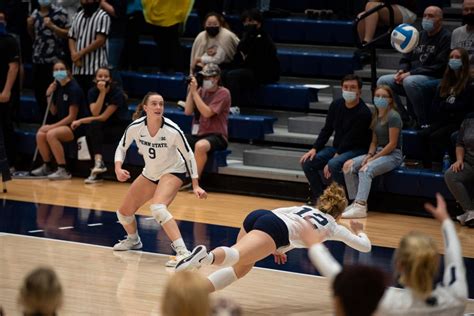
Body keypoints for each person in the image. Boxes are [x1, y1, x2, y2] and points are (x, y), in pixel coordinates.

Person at [175, 183, 372, 293]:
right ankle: (205, 257)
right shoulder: (333, 227)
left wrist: (277, 247)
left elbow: (280, 216)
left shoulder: (305, 209)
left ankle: (197, 292)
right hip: (276, 229)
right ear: (339, 213)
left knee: (241, 267)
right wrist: (359, 230)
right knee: (238, 255)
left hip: (262, 216)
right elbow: (365, 247)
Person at [113, 92, 207, 268]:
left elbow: (189, 156)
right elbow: (121, 147)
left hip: (173, 170)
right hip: (150, 173)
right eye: (154, 104)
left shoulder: (172, 130)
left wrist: (195, 184)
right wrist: (118, 168)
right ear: (145, 107)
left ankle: (183, 253)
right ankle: (133, 240)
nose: (158, 107)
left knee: (158, 208)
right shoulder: (136, 127)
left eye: (161, 104)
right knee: (124, 212)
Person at [377, 193, 468, 315]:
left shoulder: (385, 304)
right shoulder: (456, 300)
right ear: (436, 263)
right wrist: (446, 221)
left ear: (399, 265)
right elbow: (454, 260)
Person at [300, 74, 372, 205]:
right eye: (346, 87)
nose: (349, 90)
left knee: (334, 164)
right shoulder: (336, 105)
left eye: (353, 87)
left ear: (360, 91)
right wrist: (314, 148)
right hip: (338, 148)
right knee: (308, 162)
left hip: (357, 150)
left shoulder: (364, 113)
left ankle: (342, 201)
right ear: (341, 88)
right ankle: (321, 198)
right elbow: (327, 129)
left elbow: (350, 139)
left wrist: (335, 157)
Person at [377, 6, 451, 128]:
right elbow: (405, 58)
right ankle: (404, 119)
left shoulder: (446, 37)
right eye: (425, 15)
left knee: (409, 81)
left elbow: (440, 66)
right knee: (383, 81)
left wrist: (410, 74)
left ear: (440, 20)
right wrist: (402, 70)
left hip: (434, 77)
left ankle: (422, 121)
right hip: (412, 76)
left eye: (431, 16)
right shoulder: (418, 35)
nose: (426, 18)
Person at [342, 85, 403, 219]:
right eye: (377, 96)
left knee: (365, 170)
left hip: (393, 155)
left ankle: (360, 206)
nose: (380, 99)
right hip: (378, 152)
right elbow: (374, 142)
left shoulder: (394, 116)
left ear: (391, 100)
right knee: (348, 165)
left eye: (384, 96)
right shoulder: (376, 115)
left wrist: (373, 159)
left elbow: (392, 144)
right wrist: (369, 155)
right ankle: (355, 202)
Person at [300, 225, 387, 316]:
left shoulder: (335, 227)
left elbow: (333, 272)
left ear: (337, 301)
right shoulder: (397, 304)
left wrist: (314, 244)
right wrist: (360, 231)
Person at [31, 60, 86, 180]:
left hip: (76, 126)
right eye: (56, 70)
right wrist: (48, 95)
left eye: (61, 69)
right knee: (40, 134)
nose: (58, 72)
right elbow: (53, 111)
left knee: (51, 133)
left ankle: (63, 169)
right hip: (63, 125)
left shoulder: (74, 89)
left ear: (68, 71)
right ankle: (47, 166)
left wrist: (51, 126)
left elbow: (72, 117)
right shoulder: (58, 87)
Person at [71, 67, 127, 184]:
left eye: (106, 76)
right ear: (95, 79)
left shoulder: (117, 93)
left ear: (110, 79)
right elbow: (95, 112)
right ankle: (97, 168)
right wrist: (101, 93)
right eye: (100, 76)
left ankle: (97, 167)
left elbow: (103, 117)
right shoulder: (92, 92)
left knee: (94, 126)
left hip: (117, 128)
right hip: (101, 128)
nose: (103, 79)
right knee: (89, 131)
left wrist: (81, 120)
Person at [420, 47, 473, 168]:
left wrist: (447, 105)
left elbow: (464, 107)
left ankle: (445, 164)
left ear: (464, 61)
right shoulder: (445, 81)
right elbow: (435, 106)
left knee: (437, 136)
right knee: (422, 135)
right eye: (452, 57)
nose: (454, 60)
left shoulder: (469, 83)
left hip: (459, 122)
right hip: (444, 119)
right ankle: (427, 168)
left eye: (457, 57)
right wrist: (449, 106)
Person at [223, 8, 280, 111]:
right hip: (249, 69)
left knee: (233, 75)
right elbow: (238, 57)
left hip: (263, 73)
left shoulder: (264, 39)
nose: (247, 24)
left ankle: (234, 107)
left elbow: (260, 62)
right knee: (222, 73)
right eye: (245, 21)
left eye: (250, 21)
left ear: (258, 23)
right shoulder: (246, 37)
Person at [184, 63, 231, 179]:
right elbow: (188, 111)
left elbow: (207, 113)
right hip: (200, 133)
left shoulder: (223, 93)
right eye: (204, 78)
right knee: (176, 139)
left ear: (216, 78)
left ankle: (194, 180)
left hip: (217, 136)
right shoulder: (200, 91)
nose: (205, 80)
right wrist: (191, 91)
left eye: (208, 78)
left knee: (200, 146)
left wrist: (195, 93)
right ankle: (176, 177)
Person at [27, 0, 69, 119]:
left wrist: (53, 27)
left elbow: (68, 33)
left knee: (56, 92)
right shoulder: (34, 14)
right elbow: (33, 36)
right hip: (37, 59)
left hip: (54, 61)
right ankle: (44, 120)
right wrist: (29, 26)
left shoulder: (60, 13)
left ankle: (55, 119)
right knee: (39, 92)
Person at [68, 0, 111, 94]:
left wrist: (79, 53)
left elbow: (100, 40)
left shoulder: (103, 16)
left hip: (95, 69)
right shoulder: (78, 15)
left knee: (92, 103)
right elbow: (71, 36)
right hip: (77, 69)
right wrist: (73, 53)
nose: (86, 1)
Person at [141, 0, 193, 73]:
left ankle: (176, 70)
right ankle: (168, 70)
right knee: (165, 46)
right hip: (161, 16)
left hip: (172, 16)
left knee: (171, 45)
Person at [445, 113, 474, 228]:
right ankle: (470, 211)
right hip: (469, 162)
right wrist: (459, 160)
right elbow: (460, 143)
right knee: (451, 175)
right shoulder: (469, 119)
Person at [0, 9, 19, 170]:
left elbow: (14, 67)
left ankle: (10, 164)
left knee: (6, 127)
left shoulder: (9, 40)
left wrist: (6, 90)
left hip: (4, 92)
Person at [451, 0, 474, 76]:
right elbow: (453, 58)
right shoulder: (456, 32)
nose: (469, 12)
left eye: (473, 9)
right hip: (458, 74)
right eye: (466, 10)